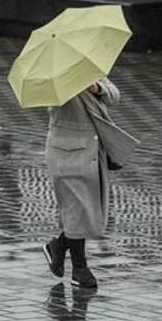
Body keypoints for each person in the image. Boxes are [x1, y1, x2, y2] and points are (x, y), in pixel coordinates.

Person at [42, 79, 120, 288]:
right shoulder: (54, 77)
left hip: (92, 151)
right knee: (76, 209)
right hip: (67, 152)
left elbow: (114, 95)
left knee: (86, 210)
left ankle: (58, 246)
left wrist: (97, 88)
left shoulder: (87, 70)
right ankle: (79, 268)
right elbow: (52, 100)